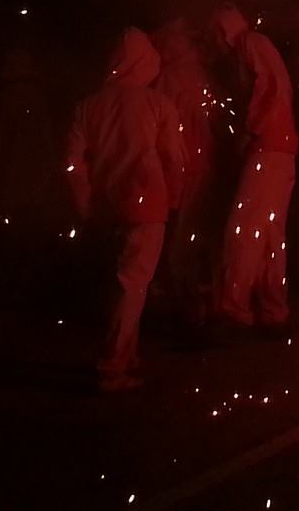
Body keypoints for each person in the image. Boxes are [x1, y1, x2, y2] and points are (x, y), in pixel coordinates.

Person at [66, 28, 185, 392]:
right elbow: (174, 158)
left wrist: (85, 203)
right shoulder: (157, 103)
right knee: (133, 284)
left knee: (124, 283)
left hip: (107, 206)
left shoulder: (88, 106)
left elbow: (72, 164)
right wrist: (174, 198)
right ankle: (112, 366)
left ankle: (126, 355)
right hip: (148, 205)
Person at [208, 5, 298, 335]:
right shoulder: (252, 46)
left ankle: (233, 309)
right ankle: (272, 310)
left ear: (223, 31)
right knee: (268, 234)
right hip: (280, 149)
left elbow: (271, 86)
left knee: (244, 228)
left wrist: (251, 127)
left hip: (268, 147)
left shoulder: (250, 42)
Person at [152, 19, 220, 327]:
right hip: (202, 160)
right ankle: (197, 296)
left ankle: (186, 306)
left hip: (183, 162)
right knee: (193, 230)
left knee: (180, 235)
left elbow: (160, 122)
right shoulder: (200, 73)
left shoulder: (172, 76)